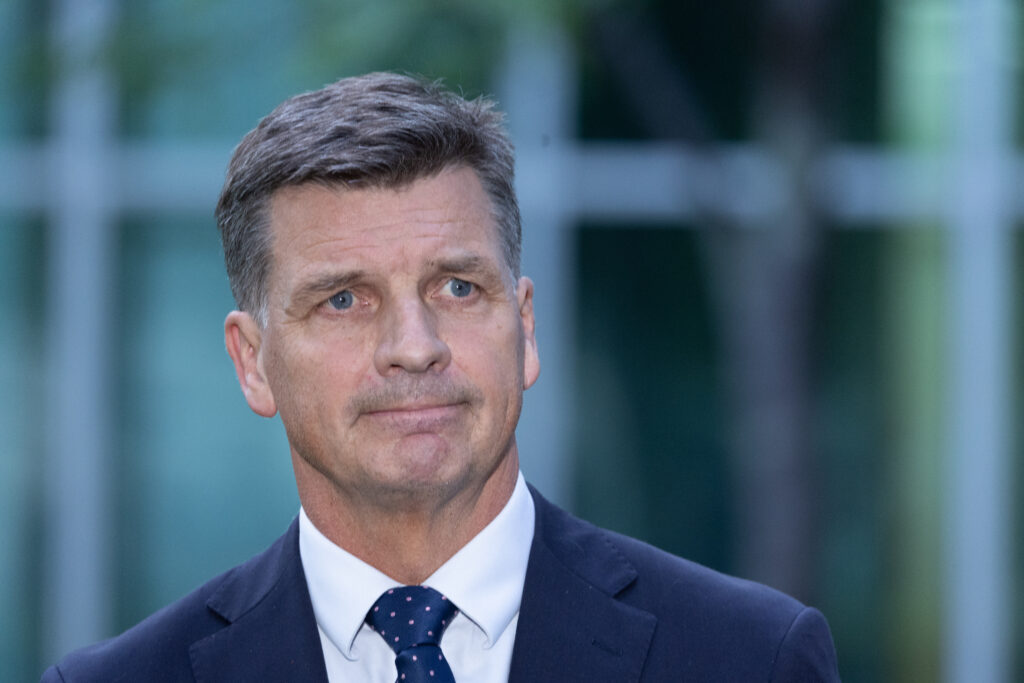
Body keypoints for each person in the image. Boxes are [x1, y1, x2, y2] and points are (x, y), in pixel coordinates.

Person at [42, 72, 840, 682]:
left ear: (524, 328)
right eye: (344, 299)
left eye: (457, 287)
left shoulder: (751, 658)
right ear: (253, 362)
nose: (414, 346)